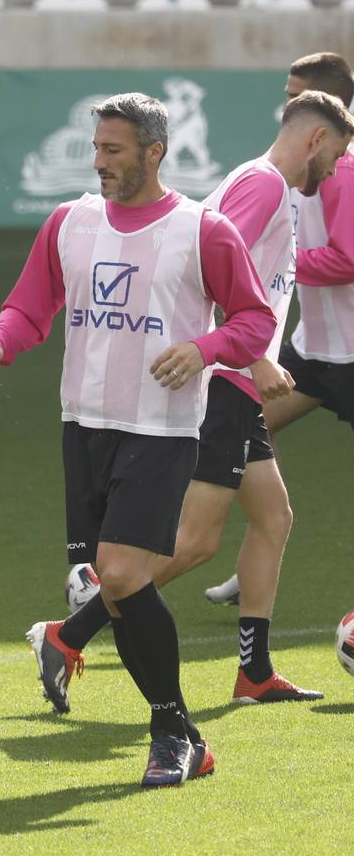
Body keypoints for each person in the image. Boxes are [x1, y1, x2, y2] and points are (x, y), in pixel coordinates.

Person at [0, 94, 276, 787]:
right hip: (83, 425)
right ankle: (170, 727)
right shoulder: (69, 223)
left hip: (160, 430)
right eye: (96, 148)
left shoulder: (205, 230)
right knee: (116, 582)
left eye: (113, 150)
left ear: (153, 152)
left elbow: (254, 321)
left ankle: (175, 731)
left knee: (126, 574)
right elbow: (29, 306)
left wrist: (204, 349)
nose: (98, 162)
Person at [26, 91, 354, 713]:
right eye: (336, 154)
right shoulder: (260, 187)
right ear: (315, 140)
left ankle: (254, 672)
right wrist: (252, 354)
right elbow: (218, 275)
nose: (335, 168)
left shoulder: (264, 184)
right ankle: (67, 636)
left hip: (234, 382)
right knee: (197, 541)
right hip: (222, 384)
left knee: (274, 517)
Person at [206, 52, 354, 605]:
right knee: (223, 440)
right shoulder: (283, 169)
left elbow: (347, 257)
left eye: (295, 92)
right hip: (307, 352)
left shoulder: (341, 169)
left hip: (349, 355)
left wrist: (285, 262)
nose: (285, 101)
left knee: (225, 440)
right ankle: (247, 565)